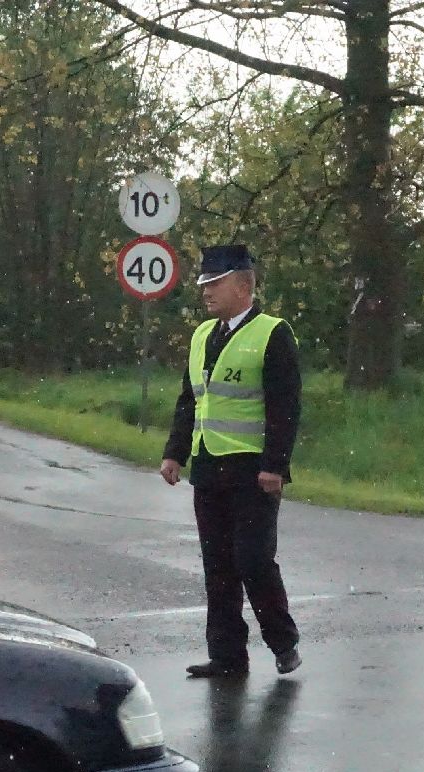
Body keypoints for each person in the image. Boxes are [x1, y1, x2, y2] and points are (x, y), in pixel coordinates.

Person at [160, 244, 303, 678]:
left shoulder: (272, 334)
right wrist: (174, 452)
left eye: (215, 284)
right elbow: (190, 400)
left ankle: (283, 642)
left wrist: (275, 464)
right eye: (204, 284)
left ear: (243, 287)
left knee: (253, 560)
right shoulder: (202, 335)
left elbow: (284, 406)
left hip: (252, 472)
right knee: (218, 567)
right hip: (208, 467)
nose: (205, 291)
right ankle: (227, 657)